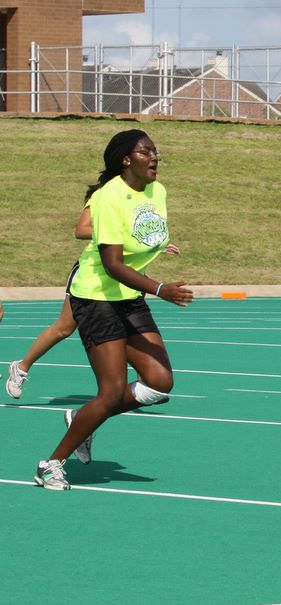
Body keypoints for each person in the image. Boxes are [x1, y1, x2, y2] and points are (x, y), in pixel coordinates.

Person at [34, 129, 193, 490]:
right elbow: (112, 264)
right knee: (111, 391)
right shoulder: (107, 198)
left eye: (156, 151)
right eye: (145, 152)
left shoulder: (157, 191)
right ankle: (50, 464)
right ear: (125, 159)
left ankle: (83, 418)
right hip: (96, 298)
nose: (154, 157)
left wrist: (159, 251)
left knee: (160, 382)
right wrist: (160, 288)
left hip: (128, 296)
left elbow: (143, 236)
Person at [5, 209, 179, 400]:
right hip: (94, 275)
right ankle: (21, 367)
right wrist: (122, 235)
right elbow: (81, 230)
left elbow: (140, 229)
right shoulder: (102, 197)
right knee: (64, 328)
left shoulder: (138, 198)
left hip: (129, 271)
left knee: (134, 325)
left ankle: (147, 382)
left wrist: (155, 243)